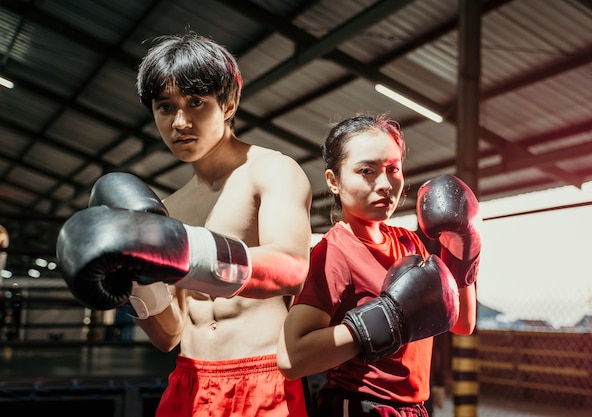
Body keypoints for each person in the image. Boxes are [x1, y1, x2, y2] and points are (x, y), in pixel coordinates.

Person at [56, 30, 312, 416]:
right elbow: (169, 334)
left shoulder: (272, 171)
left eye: (196, 102)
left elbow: (293, 269)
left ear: (229, 102)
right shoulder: (167, 208)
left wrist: (181, 249)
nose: (179, 122)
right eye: (165, 107)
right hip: (190, 381)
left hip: (261, 378)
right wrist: (132, 284)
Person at [276, 113, 480, 416]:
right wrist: (387, 319)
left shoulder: (409, 243)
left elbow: (461, 323)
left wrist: (462, 250)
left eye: (392, 169)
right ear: (334, 181)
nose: (385, 184)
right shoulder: (334, 252)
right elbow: (292, 359)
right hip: (359, 408)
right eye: (367, 171)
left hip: (414, 410)